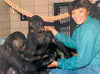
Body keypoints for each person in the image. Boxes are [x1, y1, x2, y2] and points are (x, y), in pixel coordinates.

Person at [44, 0, 100, 74]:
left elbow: (82, 60)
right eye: (74, 12)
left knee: (52, 72)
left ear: (88, 11)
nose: (76, 16)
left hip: (94, 68)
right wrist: (55, 32)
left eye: (80, 11)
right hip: (88, 64)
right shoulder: (83, 26)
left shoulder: (88, 28)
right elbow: (73, 43)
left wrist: (57, 63)